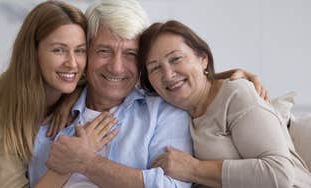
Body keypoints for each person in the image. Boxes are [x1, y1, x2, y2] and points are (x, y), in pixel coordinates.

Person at [29, 1, 267, 188]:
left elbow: (171, 186)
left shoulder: (163, 111)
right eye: (104, 51)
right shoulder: (52, 110)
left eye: (131, 54)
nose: (116, 67)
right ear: (85, 52)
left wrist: (88, 163)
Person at [0, 1, 116, 188]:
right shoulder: (2, 114)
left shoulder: (76, 82)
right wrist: (72, 160)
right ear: (33, 52)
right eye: (59, 50)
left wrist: (66, 102)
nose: (72, 63)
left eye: (79, 50)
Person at [138, 20, 311, 187]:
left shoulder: (236, 95)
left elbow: (279, 174)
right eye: (155, 68)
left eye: (176, 59)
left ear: (203, 59)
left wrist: (193, 169)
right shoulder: (173, 108)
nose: (167, 75)